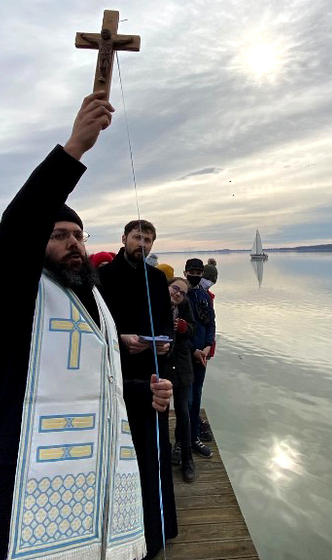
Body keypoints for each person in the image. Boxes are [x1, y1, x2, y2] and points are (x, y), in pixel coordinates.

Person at [0, 91, 171, 560]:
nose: (73, 243)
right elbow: (15, 230)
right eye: (59, 235)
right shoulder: (16, 291)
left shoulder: (90, 295)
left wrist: (139, 391)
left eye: (78, 235)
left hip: (96, 474)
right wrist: (73, 150)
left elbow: (91, 378)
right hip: (26, 473)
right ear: (38, 242)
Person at [98, 220, 179, 556]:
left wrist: (166, 343)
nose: (142, 244)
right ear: (124, 238)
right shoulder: (103, 276)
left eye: (148, 239)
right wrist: (120, 340)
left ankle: (157, 530)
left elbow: (164, 322)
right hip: (118, 375)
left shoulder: (158, 278)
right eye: (137, 237)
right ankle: (117, 530)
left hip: (153, 375)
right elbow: (96, 325)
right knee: (120, 451)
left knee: (155, 452)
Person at [165, 277, 197, 482]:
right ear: (168, 286)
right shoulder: (156, 303)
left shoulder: (185, 306)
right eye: (175, 288)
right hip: (162, 365)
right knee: (160, 411)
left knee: (183, 413)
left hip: (182, 365)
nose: (178, 293)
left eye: (182, 292)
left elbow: (194, 330)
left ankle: (187, 458)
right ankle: (162, 455)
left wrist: (185, 327)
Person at [184, 258, 216, 459]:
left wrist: (207, 347)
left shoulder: (206, 296)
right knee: (183, 400)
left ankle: (194, 437)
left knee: (196, 398)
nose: (195, 275)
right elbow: (176, 331)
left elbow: (211, 323)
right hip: (184, 357)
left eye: (198, 272)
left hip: (202, 357)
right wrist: (193, 349)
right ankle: (181, 440)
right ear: (185, 272)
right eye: (192, 272)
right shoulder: (181, 294)